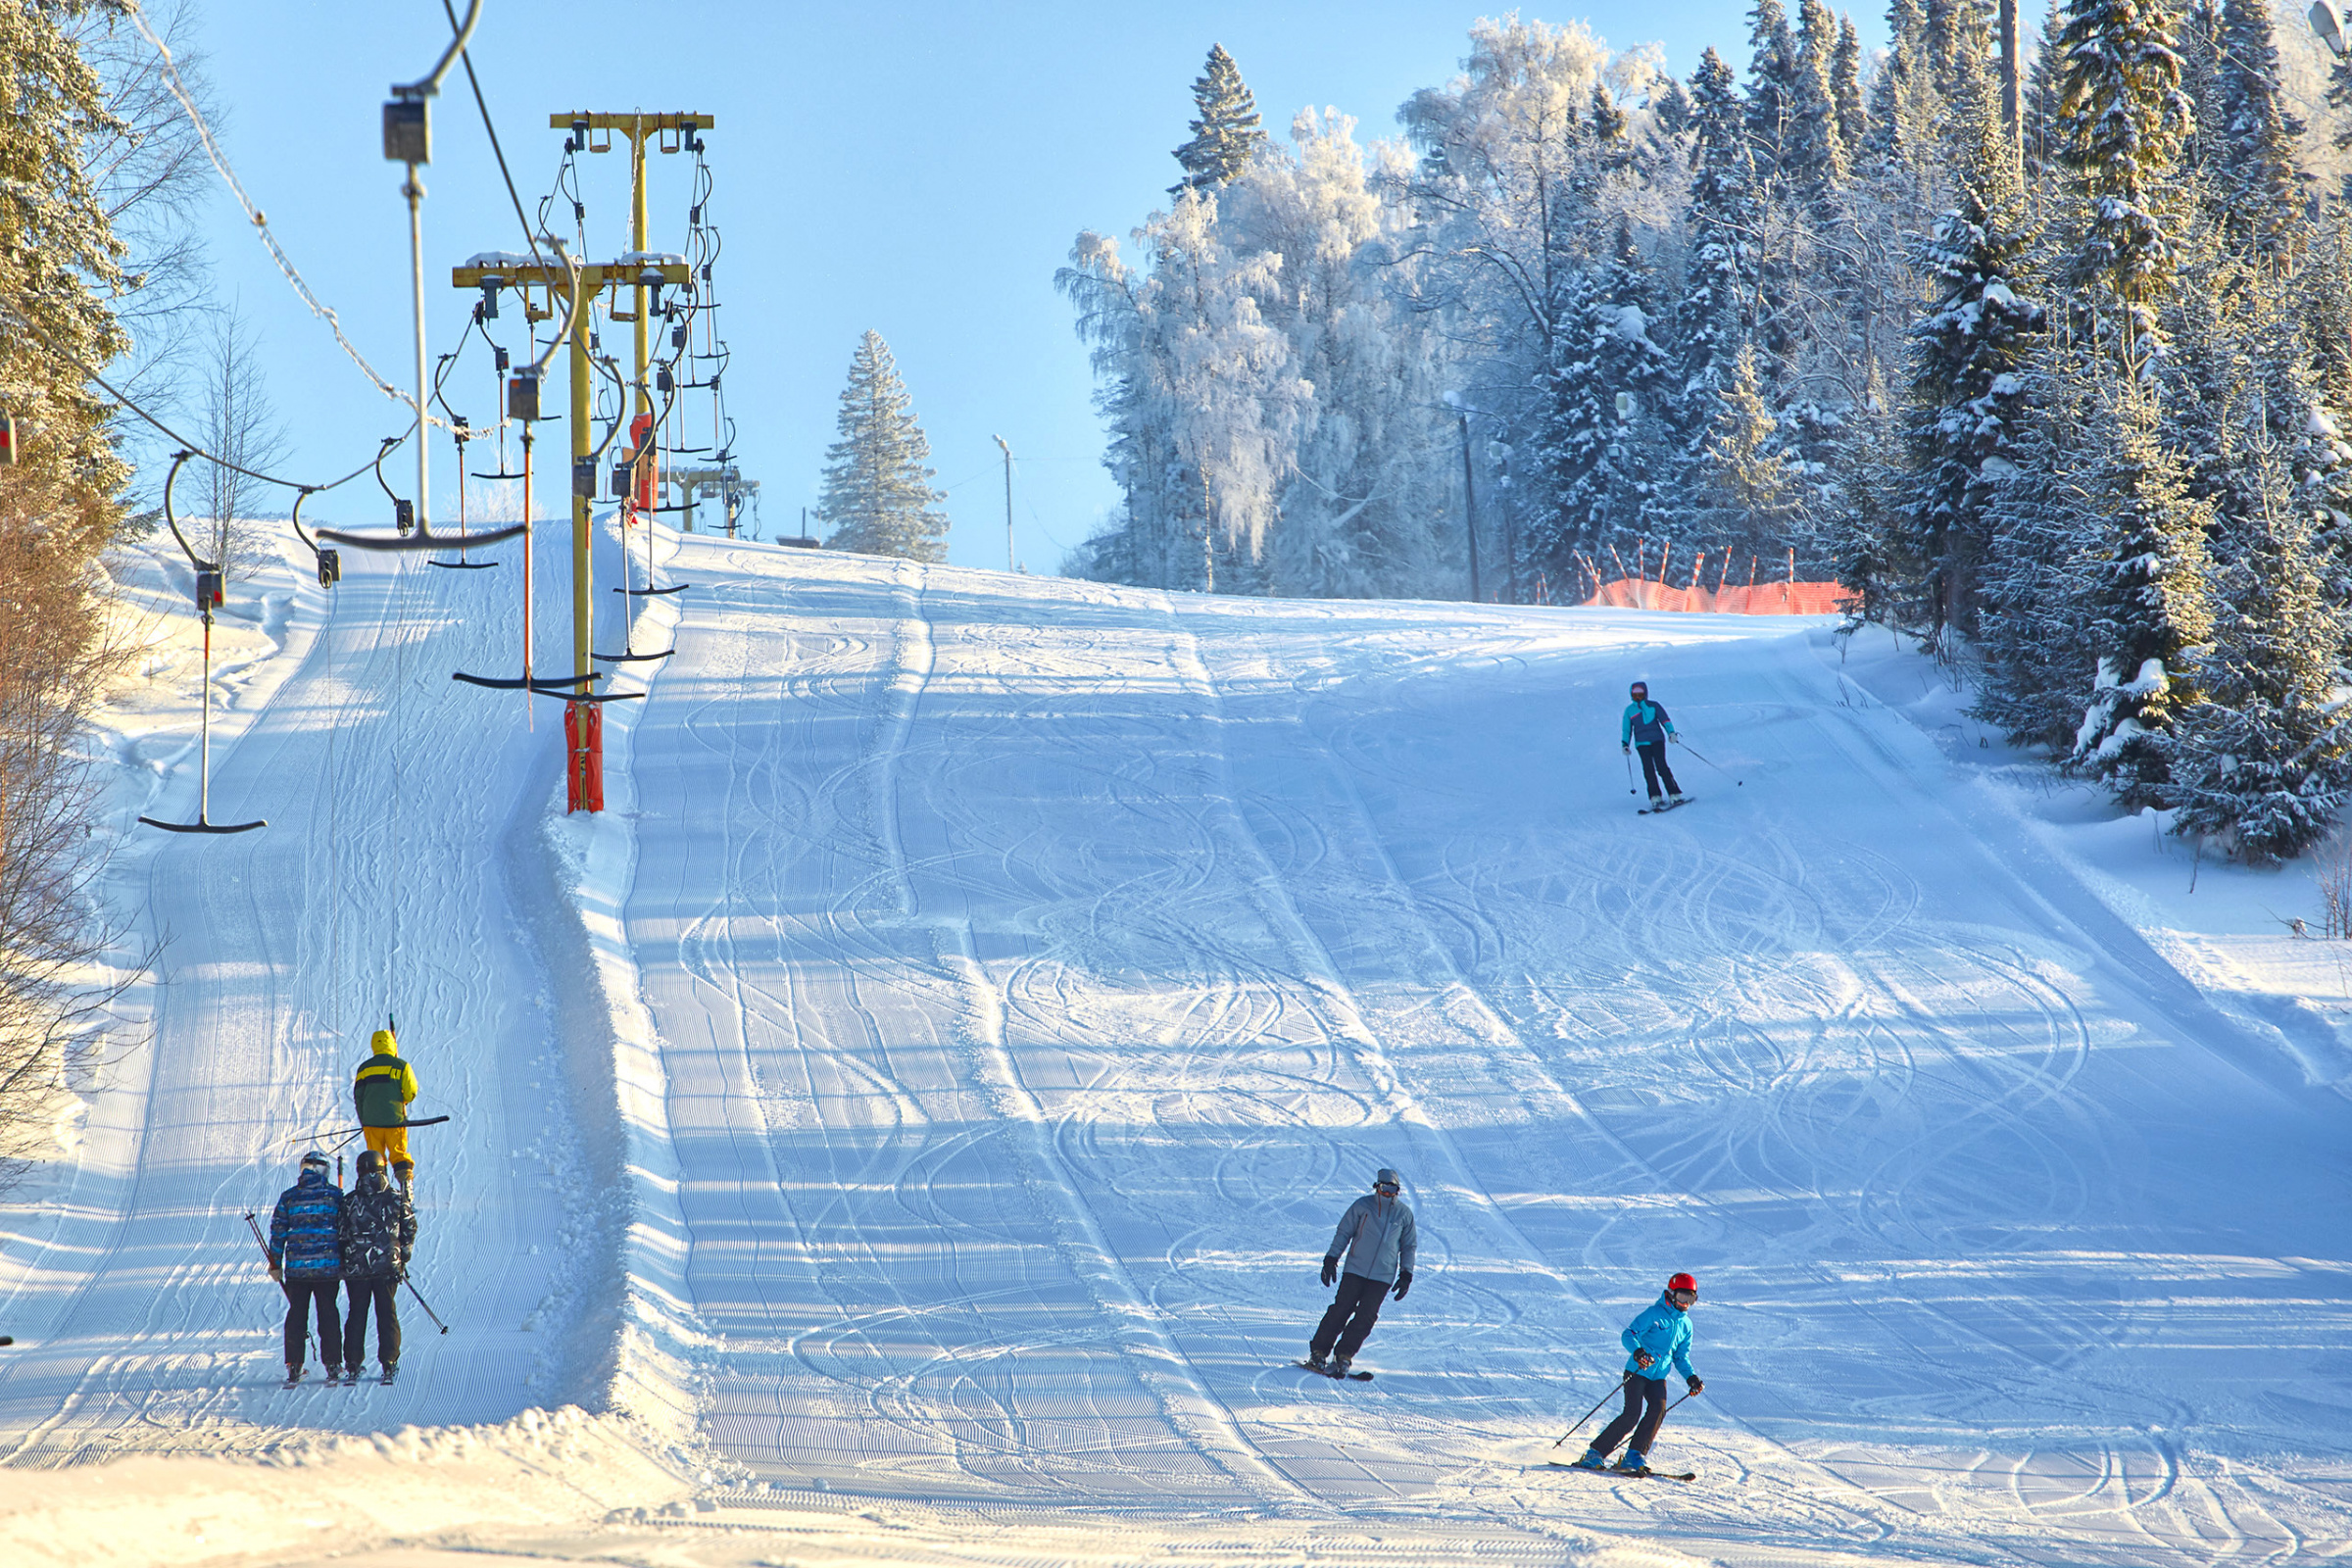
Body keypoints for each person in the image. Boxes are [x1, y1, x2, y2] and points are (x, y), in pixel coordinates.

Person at [1570, 1271, 1705, 1474]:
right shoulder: (1654, 1314)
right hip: (1638, 1371)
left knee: (1658, 1411)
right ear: (1671, 1294)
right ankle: (1594, 1453)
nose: (1686, 1303)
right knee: (1632, 1414)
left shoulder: (1686, 1325)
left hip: (1658, 1377)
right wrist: (1638, 1352)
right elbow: (1629, 1334)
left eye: (1691, 1299)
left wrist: (1691, 1378)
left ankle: (1634, 1455)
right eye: (1682, 1297)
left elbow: (1681, 1356)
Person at [1307, 1167, 1417, 1376]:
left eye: (1392, 1189)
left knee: (1366, 1316)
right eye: (1384, 1188)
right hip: (1356, 1269)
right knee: (1341, 1309)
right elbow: (1344, 1232)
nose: (1387, 1193)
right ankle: (1319, 1351)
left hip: (1382, 1276)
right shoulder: (1362, 1206)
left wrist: (1406, 1274)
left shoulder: (1404, 1214)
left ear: (1397, 1190)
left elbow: (1409, 1246)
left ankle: (1344, 1355)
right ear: (1377, 1187)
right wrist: (1331, 1258)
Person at [338, 1149, 416, 1384]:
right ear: (383, 1169)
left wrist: (346, 1259)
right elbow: (410, 1228)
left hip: (357, 1268)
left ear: (359, 1171)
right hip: (387, 1267)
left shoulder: (350, 1200)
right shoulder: (395, 1197)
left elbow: (341, 1234)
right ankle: (389, 1361)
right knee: (386, 1312)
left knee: (357, 1312)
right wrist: (402, 1256)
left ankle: (352, 1362)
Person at [268, 1150, 345, 1385]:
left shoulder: (289, 1197)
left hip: (297, 1270)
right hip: (327, 1269)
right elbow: (345, 1230)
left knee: (296, 1316)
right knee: (328, 1314)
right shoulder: (335, 1195)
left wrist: (275, 1262)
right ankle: (333, 1365)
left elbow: (278, 1231)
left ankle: (294, 1366)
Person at [353, 1026, 419, 1182]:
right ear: (392, 1044)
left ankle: (378, 1191)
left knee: (376, 1158)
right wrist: (404, 1100)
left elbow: (358, 1097)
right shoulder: (402, 1066)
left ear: (374, 1045)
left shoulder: (364, 1068)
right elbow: (412, 1091)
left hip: (371, 1123)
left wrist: (364, 1120)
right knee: (398, 1154)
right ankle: (406, 1190)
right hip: (394, 1121)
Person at [1620, 680, 1686, 809]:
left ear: (1645, 694)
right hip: (1641, 744)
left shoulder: (1653, 706)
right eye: (1635, 695)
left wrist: (1671, 733)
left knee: (1661, 766)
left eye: (1640, 695)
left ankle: (1674, 793)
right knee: (1648, 769)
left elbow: (1665, 719)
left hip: (1657, 740)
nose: (1638, 698)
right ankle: (1655, 796)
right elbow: (1627, 729)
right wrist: (1625, 743)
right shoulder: (1629, 711)